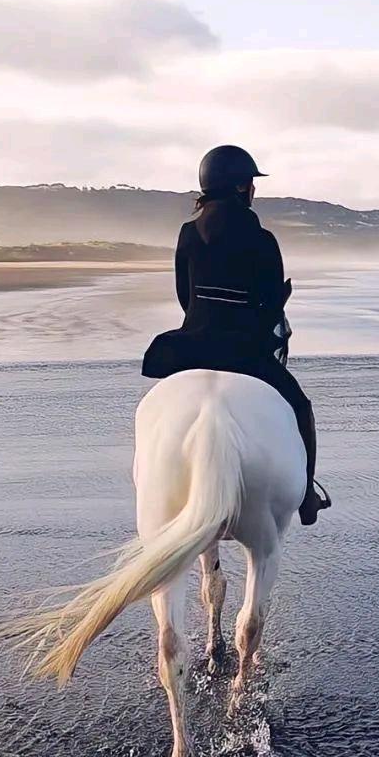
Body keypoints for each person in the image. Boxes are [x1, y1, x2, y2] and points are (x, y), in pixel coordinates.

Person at [142, 145, 330, 526]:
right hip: (244, 352)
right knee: (302, 409)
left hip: (191, 347)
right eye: (251, 184)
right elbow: (269, 304)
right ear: (243, 188)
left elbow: (184, 294)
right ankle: (307, 497)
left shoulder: (188, 234)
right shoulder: (263, 240)